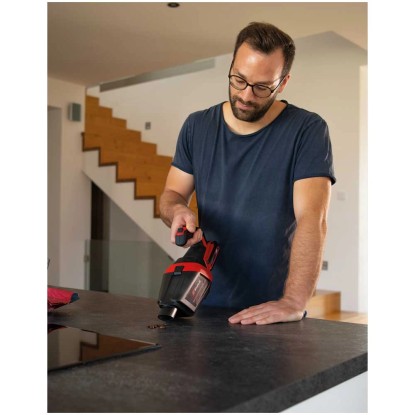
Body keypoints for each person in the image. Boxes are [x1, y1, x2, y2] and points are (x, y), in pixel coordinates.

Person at [159, 22, 336, 325]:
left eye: (262, 87)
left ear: (283, 83)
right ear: (231, 67)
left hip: (270, 308)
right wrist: (176, 211)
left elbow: (312, 219)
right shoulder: (196, 126)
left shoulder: (307, 130)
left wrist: (294, 302)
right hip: (199, 301)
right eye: (238, 80)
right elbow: (172, 194)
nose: (246, 95)